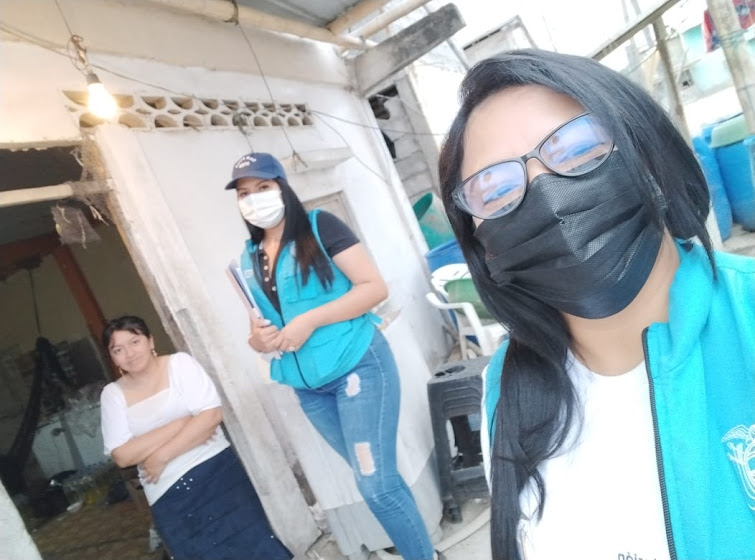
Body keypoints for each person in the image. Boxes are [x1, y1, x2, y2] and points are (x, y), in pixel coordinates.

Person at [438, 49, 754, 560]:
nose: (546, 195)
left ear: (647, 151)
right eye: (494, 191)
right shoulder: (505, 387)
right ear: (481, 246)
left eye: (579, 149)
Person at [224, 153, 442, 560]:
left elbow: (373, 288)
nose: (253, 199)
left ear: (282, 187)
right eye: (244, 193)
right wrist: (260, 339)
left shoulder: (321, 226)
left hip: (358, 368)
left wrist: (309, 320)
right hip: (310, 390)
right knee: (377, 481)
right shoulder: (250, 257)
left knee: (375, 484)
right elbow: (260, 331)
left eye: (263, 187)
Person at [99, 315, 292, 560]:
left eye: (134, 342)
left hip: (217, 473)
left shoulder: (180, 365)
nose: (129, 353)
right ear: (112, 357)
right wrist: (182, 423)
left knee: (255, 545)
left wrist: (160, 457)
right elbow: (122, 455)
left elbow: (211, 416)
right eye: (118, 349)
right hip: (167, 494)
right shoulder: (112, 395)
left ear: (150, 341)